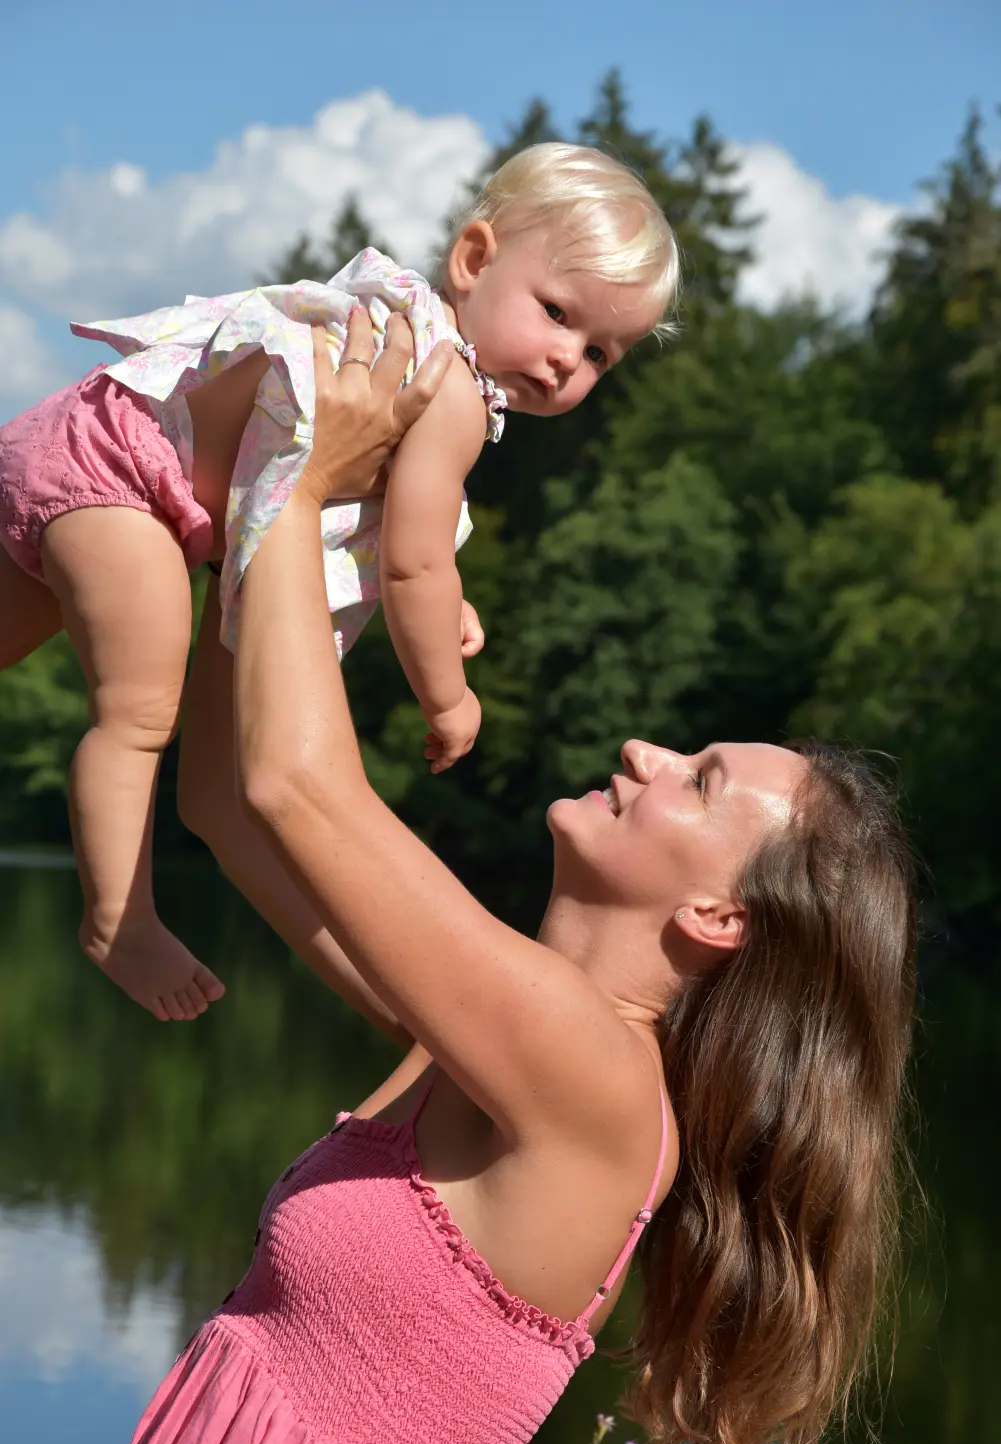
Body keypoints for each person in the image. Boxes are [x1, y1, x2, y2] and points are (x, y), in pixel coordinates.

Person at [105, 313, 917, 1444]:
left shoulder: (586, 1065)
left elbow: (297, 787)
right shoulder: (482, 1035)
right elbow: (229, 805)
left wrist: (306, 466)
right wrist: (261, 524)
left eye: (694, 780)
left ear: (720, 915)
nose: (641, 749)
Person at [0, 144, 678, 1022]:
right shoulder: (452, 389)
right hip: (127, 480)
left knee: (187, 759)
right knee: (137, 713)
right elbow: (410, 565)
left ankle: (407, 1020)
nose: (564, 361)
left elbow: (401, 534)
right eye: (556, 314)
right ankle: (118, 921)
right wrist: (448, 699)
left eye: (599, 354)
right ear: (473, 260)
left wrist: (450, 593)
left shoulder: (406, 334)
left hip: (98, 439)